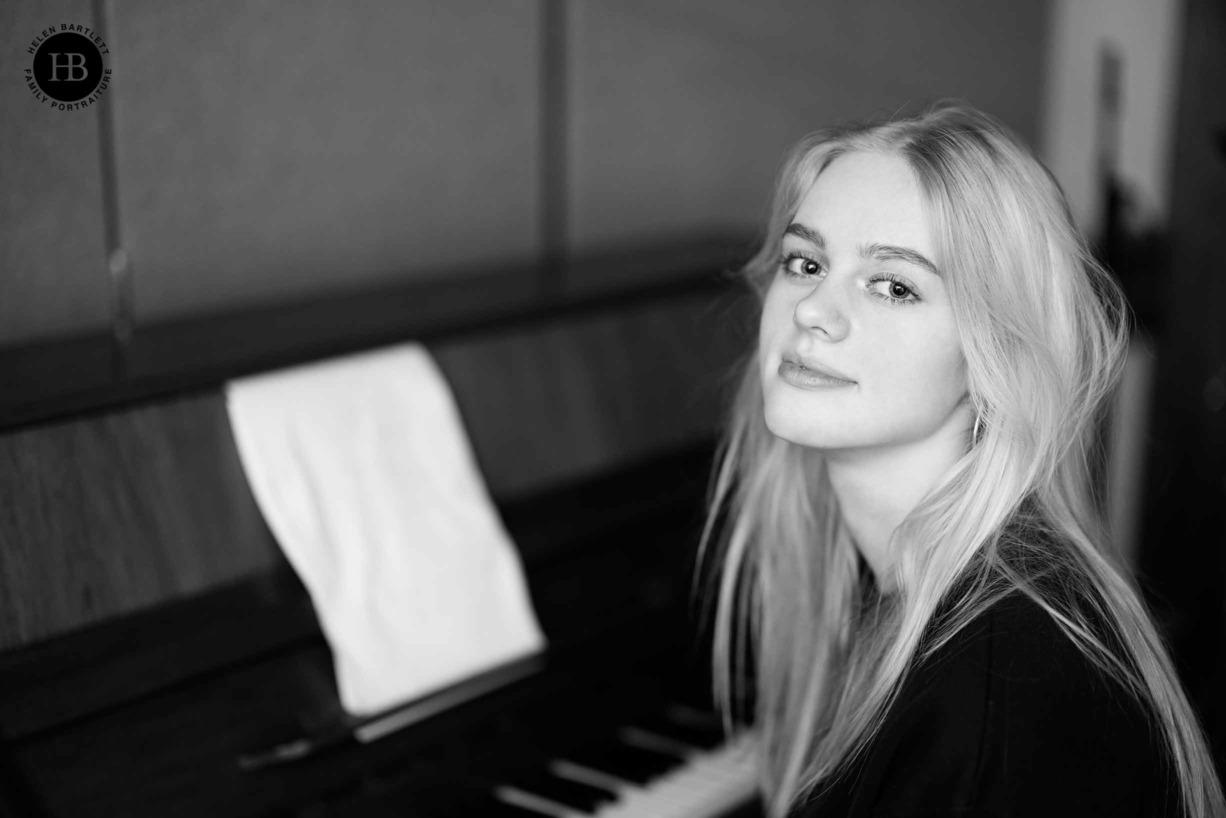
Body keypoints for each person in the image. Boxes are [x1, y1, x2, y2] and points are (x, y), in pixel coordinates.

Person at [695, 101, 1224, 818]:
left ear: (991, 354)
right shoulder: (916, 589)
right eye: (806, 261)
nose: (815, 308)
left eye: (894, 285)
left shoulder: (998, 689)